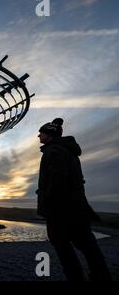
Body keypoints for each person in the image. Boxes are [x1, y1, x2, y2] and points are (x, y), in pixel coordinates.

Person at [37, 118, 112, 281]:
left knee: (63, 247)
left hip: (60, 211)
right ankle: (102, 277)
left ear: (49, 134)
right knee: (88, 247)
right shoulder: (69, 152)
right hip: (77, 208)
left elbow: (58, 181)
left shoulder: (53, 151)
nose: (38, 136)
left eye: (41, 132)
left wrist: (48, 202)